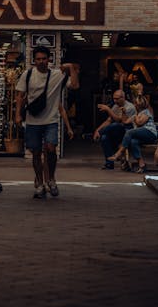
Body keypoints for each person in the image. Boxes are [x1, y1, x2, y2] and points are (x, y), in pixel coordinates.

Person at [15, 48, 80, 199]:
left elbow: (75, 85)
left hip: (51, 120)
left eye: (44, 58)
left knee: (51, 149)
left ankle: (51, 178)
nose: (41, 61)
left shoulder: (57, 74)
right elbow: (20, 95)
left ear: (49, 59)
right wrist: (18, 114)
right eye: (38, 59)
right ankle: (39, 182)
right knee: (36, 153)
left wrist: (71, 68)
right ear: (34, 60)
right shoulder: (28, 74)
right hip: (32, 120)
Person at [107, 95, 158, 173]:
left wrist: (136, 116)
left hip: (150, 133)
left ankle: (119, 153)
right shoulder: (135, 115)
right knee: (133, 142)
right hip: (142, 135)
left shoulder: (146, 112)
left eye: (136, 104)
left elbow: (139, 123)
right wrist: (124, 112)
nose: (135, 105)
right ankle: (142, 165)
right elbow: (125, 121)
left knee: (129, 132)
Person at [94, 89, 136, 170]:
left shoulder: (129, 107)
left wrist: (108, 109)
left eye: (117, 99)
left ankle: (101, 133)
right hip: (116, 131)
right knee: (104, 137)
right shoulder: (116, 106)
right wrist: (97, 130)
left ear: (123, 98)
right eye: (114, 99)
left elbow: (119, 120)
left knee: (116, 125)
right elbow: (109, 120)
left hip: (127, 130)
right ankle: (109, 164)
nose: (115, 101)